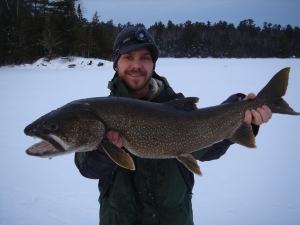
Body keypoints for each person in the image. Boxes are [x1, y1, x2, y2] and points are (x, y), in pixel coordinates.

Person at [74, 26, 272, 225]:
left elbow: (208, 150)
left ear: (153, 65)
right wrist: (104, 151)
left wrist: (240, 118)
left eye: (145, 57)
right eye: (128, 57)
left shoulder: (177, 108)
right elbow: (88, 168)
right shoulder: (99, 112)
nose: (137, 65)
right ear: (116, 64)